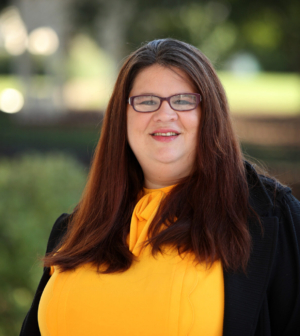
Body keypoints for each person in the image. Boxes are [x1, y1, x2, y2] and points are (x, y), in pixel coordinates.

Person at [20, 39, 300, 336]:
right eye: (146, 101)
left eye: (183, 100)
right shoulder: (75, 231)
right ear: (122, 117)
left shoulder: (270, 221)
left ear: (210, 114)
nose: (164, 113)